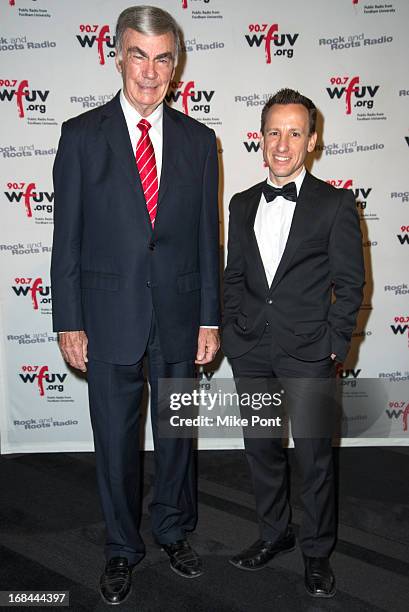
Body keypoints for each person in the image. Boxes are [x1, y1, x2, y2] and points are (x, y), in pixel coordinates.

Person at [51, 5, 220, 605]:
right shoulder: (80, 135)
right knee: (116, 445)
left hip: (178, 316)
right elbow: (64, 238)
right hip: (107, 318)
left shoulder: (202, 142)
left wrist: (208, 315)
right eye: (138, 55)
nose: (150, 71)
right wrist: (68, 319)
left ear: (177, 66)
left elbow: (207, 236)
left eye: (163, 58)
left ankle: (174, 531)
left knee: (176, 436)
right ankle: (122, 548)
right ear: (116, 55)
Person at [222, 88, 364, 598]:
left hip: (309, 353)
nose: (283, 144)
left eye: (295, 133)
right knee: (262, 451)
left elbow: (350, 286)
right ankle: (274, 533)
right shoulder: (240, 204)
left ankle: (317, 552)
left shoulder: (335, 203)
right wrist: (233, 332)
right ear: (261, 139)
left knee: (314, 460)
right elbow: (233, 275)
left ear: (313, 140)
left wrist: (333, 346)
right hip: (251, 349)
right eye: (274, 132)